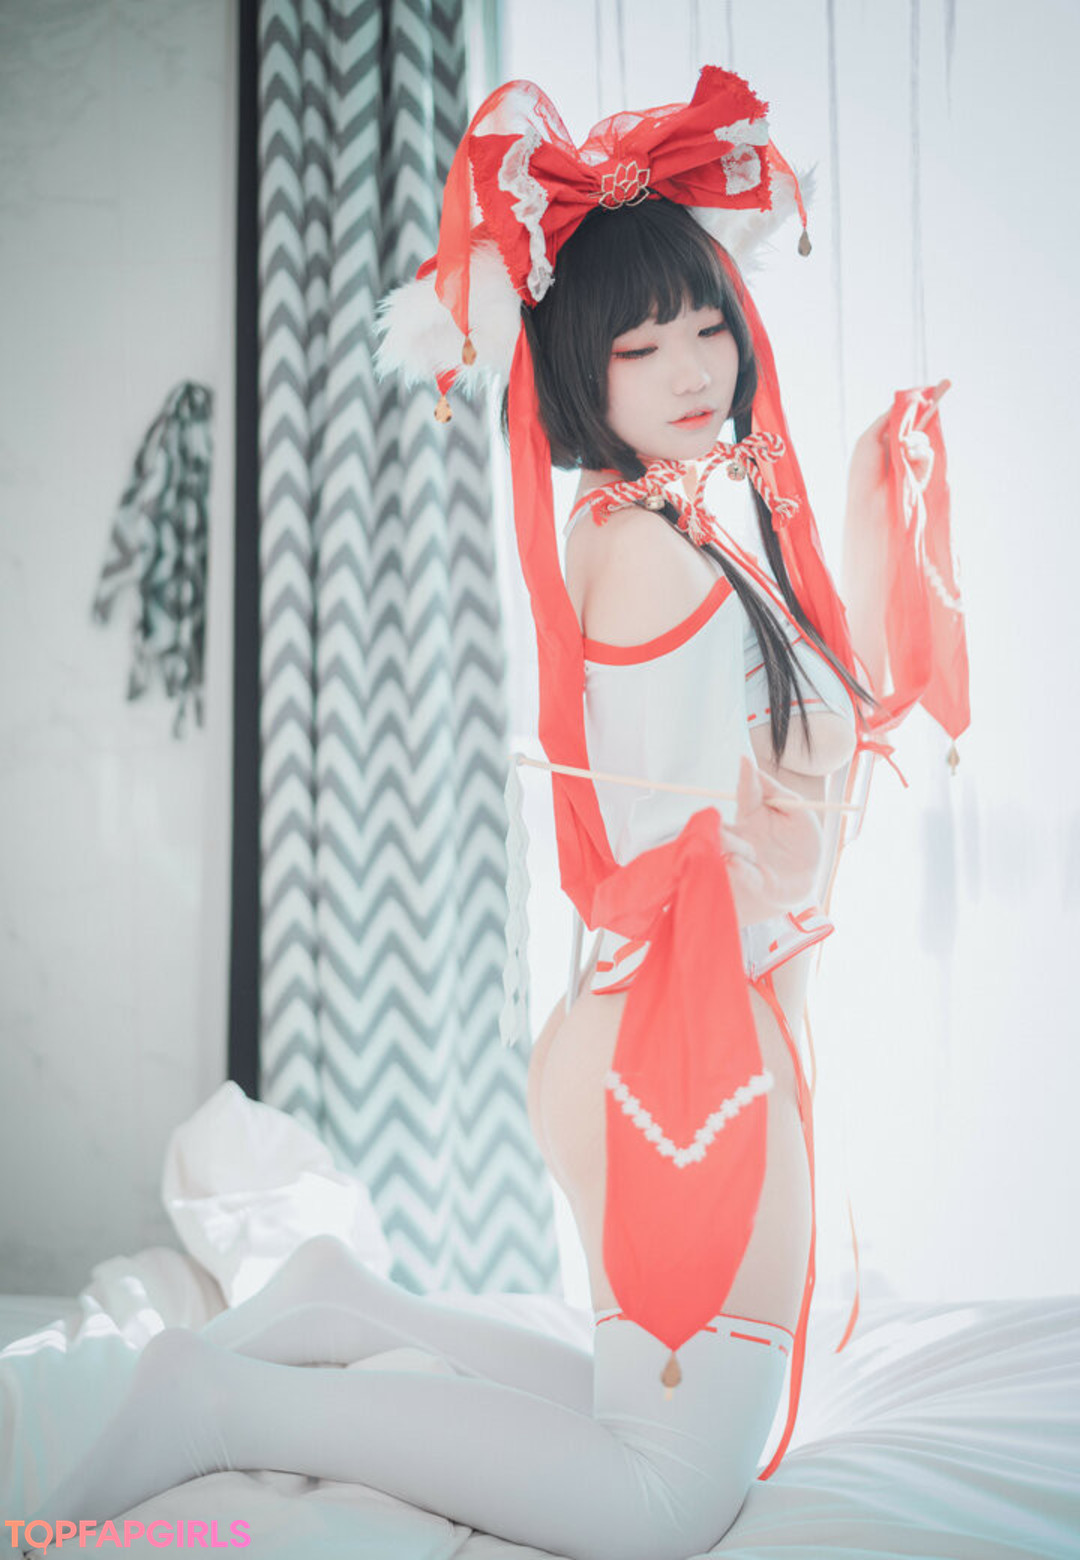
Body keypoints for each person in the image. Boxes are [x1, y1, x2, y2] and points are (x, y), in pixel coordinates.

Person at [21, 67, 929, 1560]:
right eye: (641, 344)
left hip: (666, 1019)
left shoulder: (679, 524)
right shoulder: (655, 548)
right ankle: (223, 1408)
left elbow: (774, 774)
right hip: (683, 1034)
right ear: (580, 375)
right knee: (665, 1499)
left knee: (667, 1420)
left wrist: (868, 520)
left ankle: (340, 1307)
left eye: (708, 324)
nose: (693, 366)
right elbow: (707, 839)